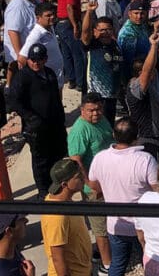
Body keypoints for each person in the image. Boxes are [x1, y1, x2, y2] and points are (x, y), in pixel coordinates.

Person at [88, 118, 158, 276]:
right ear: (137, 137)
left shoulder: (100, 157)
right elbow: (158, 190)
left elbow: (93, 185)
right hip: (143, 225)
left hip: (115, 224)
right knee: (150, 264)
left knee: (117, 265)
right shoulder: (145, 160)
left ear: (114, 134)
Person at [9, 42, 67, 197]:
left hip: (54, 125)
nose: (36, 63)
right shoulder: (22, 77)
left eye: (39, 59)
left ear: (45, 59)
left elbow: (55, 97)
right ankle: (43, 192)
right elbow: (14, 101)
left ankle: (57, 186)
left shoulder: (49, 74)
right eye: (33, 60)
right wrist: (30, 118)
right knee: (41, 160)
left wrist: (61, 119)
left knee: (57, 155)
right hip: (36, 128)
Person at [66, 92, 114, 271]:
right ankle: (107, 265)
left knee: (110, 222)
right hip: (94, 187)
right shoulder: (80, 130)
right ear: (82, 110)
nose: (95, 113)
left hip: (109, 182)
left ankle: (107, 253)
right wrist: (89, 183)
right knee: (100, 227)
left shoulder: (102, 121)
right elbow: (76, 160)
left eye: (98, 109)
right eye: (91, 110)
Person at [41, 158, 93, 276]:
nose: (82, 178)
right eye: (78, 176)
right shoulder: (57, 216)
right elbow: (57, 258)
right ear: (65, 184)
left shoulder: (65, 202)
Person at [81, 1, 123, 123]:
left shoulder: (115, 45)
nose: (105, 33)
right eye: (102, 30)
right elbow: (85, 33)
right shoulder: (92, 44)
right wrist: (89, 12)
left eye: (108, 29)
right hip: (95, 97)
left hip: (112, 95)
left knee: (108, 128)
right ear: (95, 31)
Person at [56, 0, 91, 90]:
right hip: (68, 24)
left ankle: (72, 79)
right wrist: (75, 25)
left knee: (67, 54)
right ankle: (80, 83)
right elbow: (69, 6)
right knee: (78, 54)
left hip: (61, 23)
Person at [2, 0, 38, 86]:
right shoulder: (17, 6)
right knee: (15, 76)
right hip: (20, 51)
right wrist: (20, 55)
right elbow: (13, 31)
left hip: (30, 49)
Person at [19, 1, 64, 87]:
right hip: (46, 80)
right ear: (38, 18)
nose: (52, 17)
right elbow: (22, 58)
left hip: (57, 75)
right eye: (48, 15)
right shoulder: (36, 34)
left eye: (53, 14)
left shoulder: (50, 28)